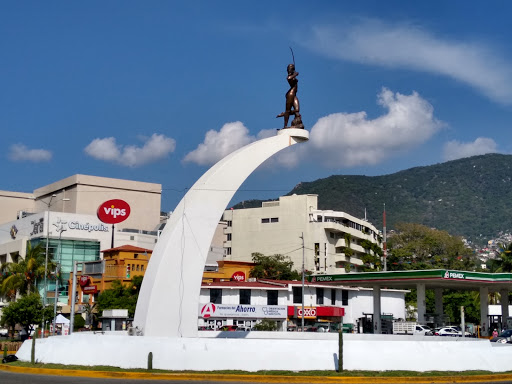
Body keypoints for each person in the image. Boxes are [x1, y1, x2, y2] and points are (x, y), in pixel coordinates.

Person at [277, 64, 304, 129]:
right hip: (290, 94)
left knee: (297, 110)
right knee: (288, 110)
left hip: (294, 95)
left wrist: (294, 75)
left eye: (291, 68)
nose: (290, 69)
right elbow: (288, 78)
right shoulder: (290, 76)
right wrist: (295, 74)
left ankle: (284, 113)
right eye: (290, 68)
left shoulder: (293, 76)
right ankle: (285, 125)